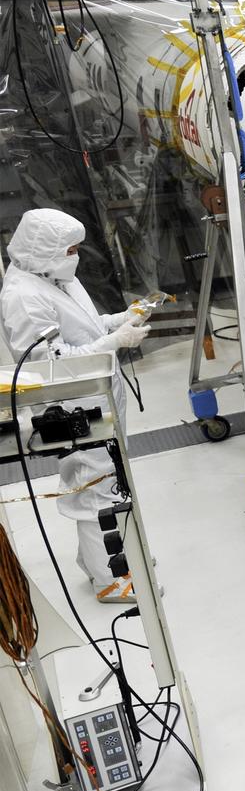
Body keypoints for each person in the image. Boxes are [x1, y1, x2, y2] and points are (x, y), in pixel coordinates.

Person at [0, 209, 151, 602]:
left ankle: (103, 563)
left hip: (96, 392)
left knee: (108, 480)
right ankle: (109, 580)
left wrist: (120, 319)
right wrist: (116, 341)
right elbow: (52, 364)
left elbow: (82, 327)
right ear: (44, 248)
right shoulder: (22, 297)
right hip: (73, 405)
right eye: (70, 249)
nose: (76, 256)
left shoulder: (53, 272)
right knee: (97, 488)